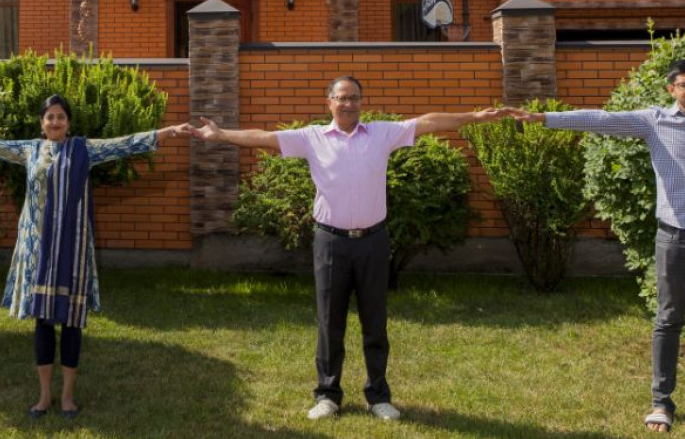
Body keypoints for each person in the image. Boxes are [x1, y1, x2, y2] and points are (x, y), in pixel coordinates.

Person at [192, 76, 508, 421]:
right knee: (330, 322)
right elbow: (265, 138)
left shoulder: (382, 134)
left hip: (373, 241)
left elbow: (429, 121)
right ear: (329, 102)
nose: (348, 104)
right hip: (330, 242)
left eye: (354, 98)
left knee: (375, 321)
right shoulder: (312, 138)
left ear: (361, 102)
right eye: (341, 98)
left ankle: (378, 396)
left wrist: (474, 117)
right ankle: (328, 395)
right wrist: (221, 134)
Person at [513, 58, 685, 437]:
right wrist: (545, 119)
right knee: (667, 322)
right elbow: (601, 119)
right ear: (671, 90)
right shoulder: (653, 121)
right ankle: (661, 403)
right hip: (675, 240)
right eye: (684, 84)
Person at [0, 94, 190, 419]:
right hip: (38, 253)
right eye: (49, 117)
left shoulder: (84, 149)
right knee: (43, 322)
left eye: (61, 116)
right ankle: (44, 396)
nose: (55, 122)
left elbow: (125, 144)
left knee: (71, 323)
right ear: (41, 124)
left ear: (68, 122)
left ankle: (68, 396)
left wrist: (167, 131)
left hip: (72, 253)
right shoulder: (29, 150)